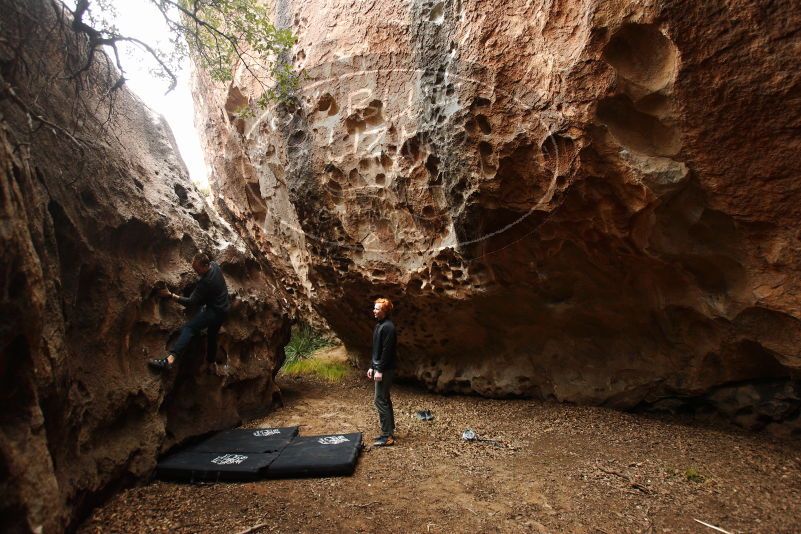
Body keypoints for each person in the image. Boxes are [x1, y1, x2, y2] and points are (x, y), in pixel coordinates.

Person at [148, 252, 230, 371]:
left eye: (197, 269)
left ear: (205, 266)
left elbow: (190, 302)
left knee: (189, 328)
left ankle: (170, 360)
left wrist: (171, 295)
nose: (196, 271)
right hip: (224, 307)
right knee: (212, 335)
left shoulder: (205, 282)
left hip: (214, 312)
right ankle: (211, 363)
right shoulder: (215, 266)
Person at [368, 297, 397, 446]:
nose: (374, 310)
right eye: (374, 308)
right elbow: (376, 349)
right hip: (381, 367)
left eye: (377, 309)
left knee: (379, 400)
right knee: (384, 398)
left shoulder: (388, 327)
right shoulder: (380, 325)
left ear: (384, 312)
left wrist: (379, 369)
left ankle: (387, 437)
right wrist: (372, 366)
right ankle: (389, 430)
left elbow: (386, 351)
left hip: (386, 369)